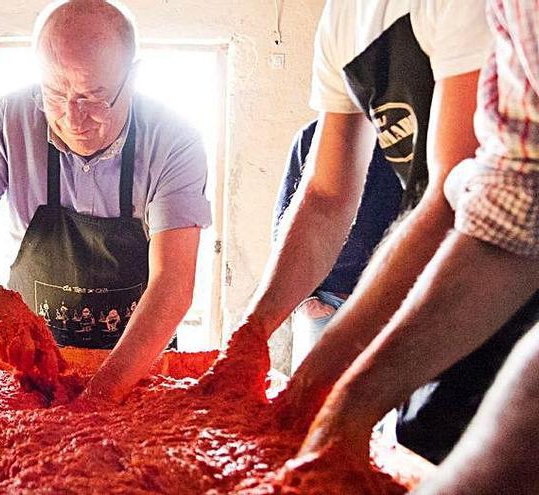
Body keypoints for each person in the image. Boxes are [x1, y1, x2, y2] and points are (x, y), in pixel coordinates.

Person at [202, 0, 534, 464]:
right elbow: (324, 196)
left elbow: (459, 200)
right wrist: (251, 335)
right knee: (416, 438)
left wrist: (320, 386)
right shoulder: (343, 18)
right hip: (445, 283)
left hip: (502, 289)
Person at [0, 0, 211, 402]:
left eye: (93, 97)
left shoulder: (174, 140)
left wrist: (97, 400)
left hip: (137, 365)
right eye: (56, 93)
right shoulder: (10, 120)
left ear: (133, 78)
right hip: (34, 369)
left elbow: (173, 285)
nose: (73, 118)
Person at [272, 121, 402, 370]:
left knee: (379, 406)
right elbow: (284, 225)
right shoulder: (312, 137)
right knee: (312, 405)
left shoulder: (405, 139)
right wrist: (306, 301)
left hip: (388, 307)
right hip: (327, 303)